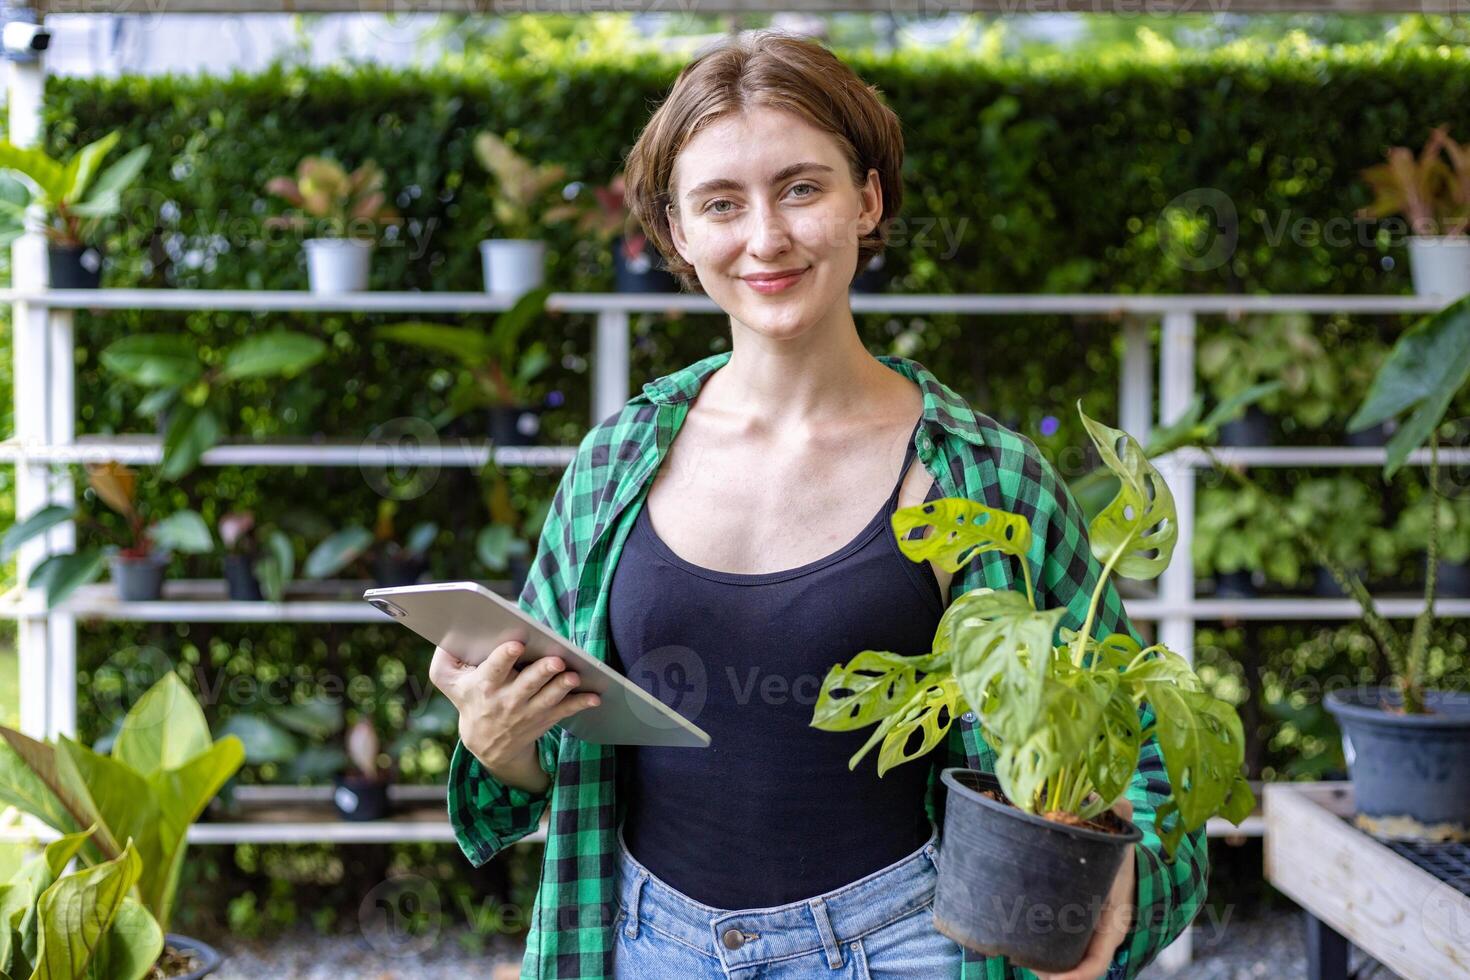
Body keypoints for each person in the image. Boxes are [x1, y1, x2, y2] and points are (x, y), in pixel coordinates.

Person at [429, 30, 1207, 980]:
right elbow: (546, 753)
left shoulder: (985, 478)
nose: (766, 238)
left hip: (910, 946)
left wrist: (1119, 885)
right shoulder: (615, 462)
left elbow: (1144, 759)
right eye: (721, 203)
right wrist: (496, 739)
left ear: (867, 199)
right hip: (640, 945)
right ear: (676, 232)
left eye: (802, 187)